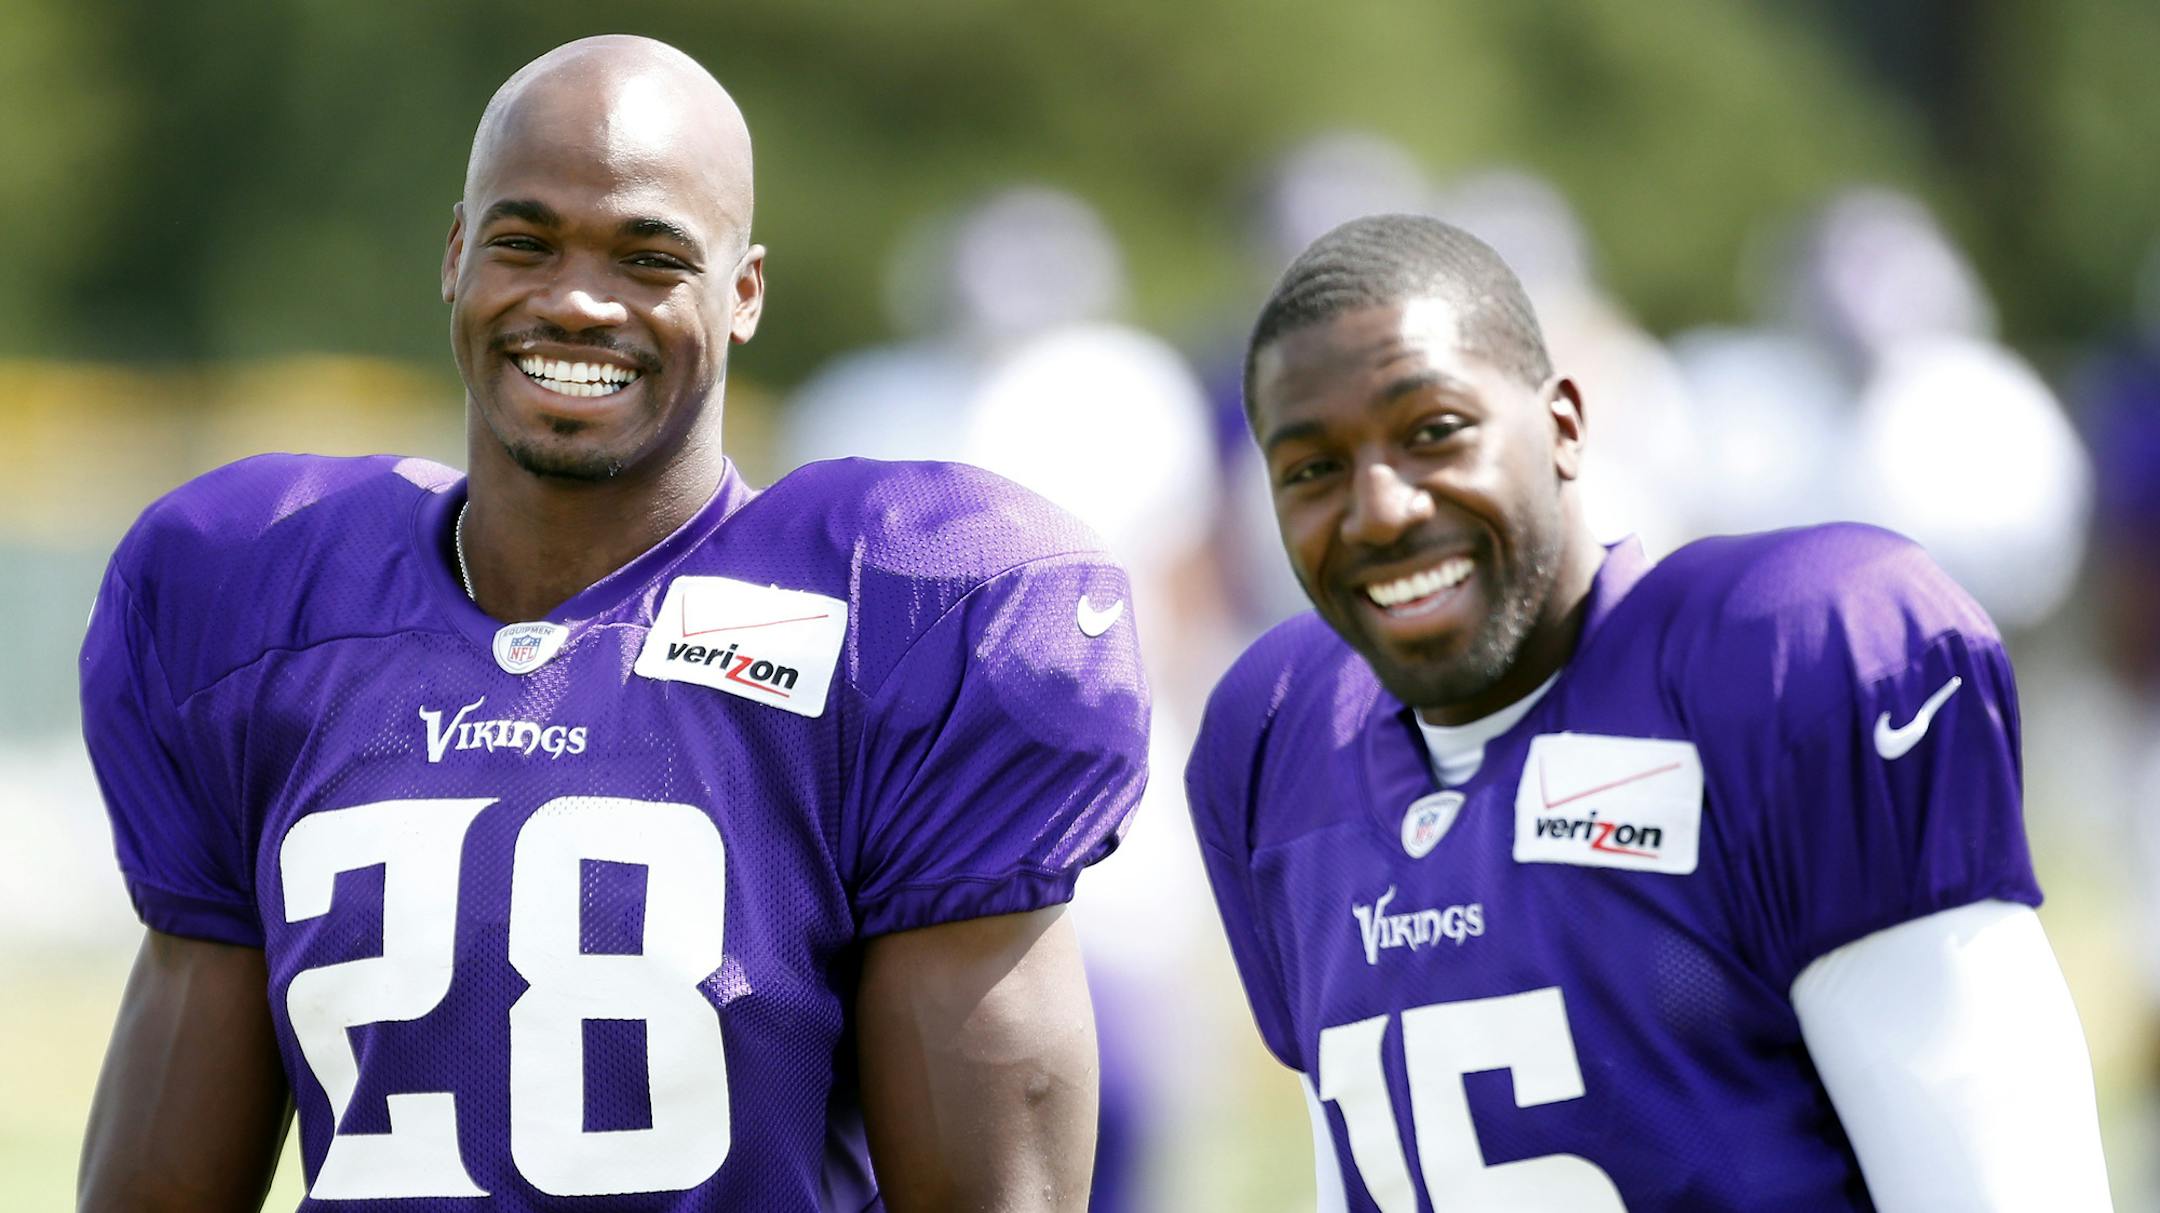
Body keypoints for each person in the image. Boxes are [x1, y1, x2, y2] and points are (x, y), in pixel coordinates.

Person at [75, 35, 1147, 1212]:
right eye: (525, 242)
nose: (577, 300)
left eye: (649, 257)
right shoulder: (260, 602)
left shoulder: (907, 612)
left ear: (742, 295)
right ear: (454, 256)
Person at [1186, 213, 2111, 1211]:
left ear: (1565, 426)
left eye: (1434, 432)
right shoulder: (1280, 739)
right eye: (1313, 469)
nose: (1380, 507)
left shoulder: (1780, 666)